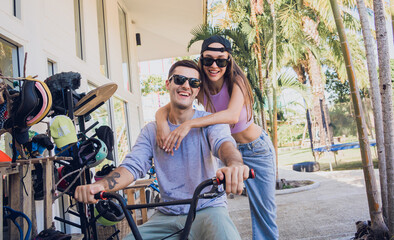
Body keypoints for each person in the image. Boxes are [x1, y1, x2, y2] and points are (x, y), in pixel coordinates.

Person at [74, 60, 250, 240]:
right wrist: (101, 185)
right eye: (179, 79)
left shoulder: (209, 123)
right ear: (168, 83)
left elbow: (224, 144)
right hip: (166, 215)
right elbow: (134, 165)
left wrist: (234, 164)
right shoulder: (152, 131)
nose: (186, 86)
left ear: (198, 90)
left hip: (208, 209)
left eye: (193, 82)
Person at [156, 35, 279, 240]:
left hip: (256, 149)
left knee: (264, 214)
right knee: (217, 210)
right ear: (201, 61)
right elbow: (167, 106)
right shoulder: (199, 85)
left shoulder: (236, 81)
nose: (214, 65)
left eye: (220, 60)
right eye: (208, 60)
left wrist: (190, 124)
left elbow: (231, 116)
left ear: (228, 60)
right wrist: (161, 124)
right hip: (226, 150)